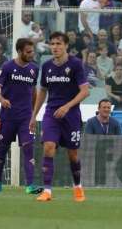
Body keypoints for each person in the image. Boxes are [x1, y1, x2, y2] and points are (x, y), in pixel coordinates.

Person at [29, 31, 90, 202]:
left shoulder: (76, 64)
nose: (55, 47)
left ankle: (78, 187)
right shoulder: (46, 65)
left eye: (58, 44)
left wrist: (67, 106)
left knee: (73, 154)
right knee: (48, 147)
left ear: (66, 46)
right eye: (52, 44)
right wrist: (33, 115)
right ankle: (47, 191)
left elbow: (85, 91)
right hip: (51, 114)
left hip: (71, 115)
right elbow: (42, 92)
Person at [0, 38, 42, 194]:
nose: (31, 54)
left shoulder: (34, 69)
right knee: (2, 150)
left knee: (28, 147)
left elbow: (33, 92)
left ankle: (30, 185)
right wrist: (2, 99)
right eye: (28, 52)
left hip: (25, 117)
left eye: (32, 51)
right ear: (19, 51)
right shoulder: (7, 67)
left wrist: (34, 115)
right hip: (8, 116)